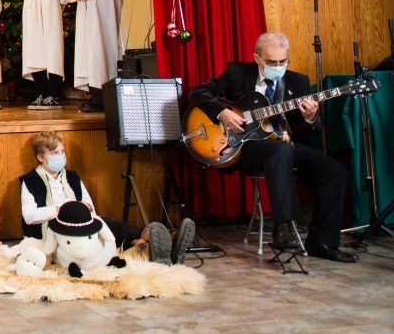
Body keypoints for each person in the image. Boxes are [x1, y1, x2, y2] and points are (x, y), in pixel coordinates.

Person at [190, 32, 357, 262]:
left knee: (335, 172)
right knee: (281, 149)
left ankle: (322, 242)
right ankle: (284, 226)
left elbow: (311, 129)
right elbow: (198, 93)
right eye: (271, 62)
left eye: (282, 61)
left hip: (286, 145)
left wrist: (310, 118)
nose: (278, 67)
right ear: (257, 58)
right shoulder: (238, 73)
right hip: (247, 148)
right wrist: (223, 113)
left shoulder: (299, 81)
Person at [19, 132, 194, 264]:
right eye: (55, 153)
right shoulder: (30, 181)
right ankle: (155, 248)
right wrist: (62, 209)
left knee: (112, 225)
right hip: (55, 229)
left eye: (62, 151)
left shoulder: (72, 177)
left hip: (82, 220)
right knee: (98, 239)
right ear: (41, 157)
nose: (61, 156)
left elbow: (90, 206)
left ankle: (161, 242)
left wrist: (83, 211)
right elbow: (29, 216)